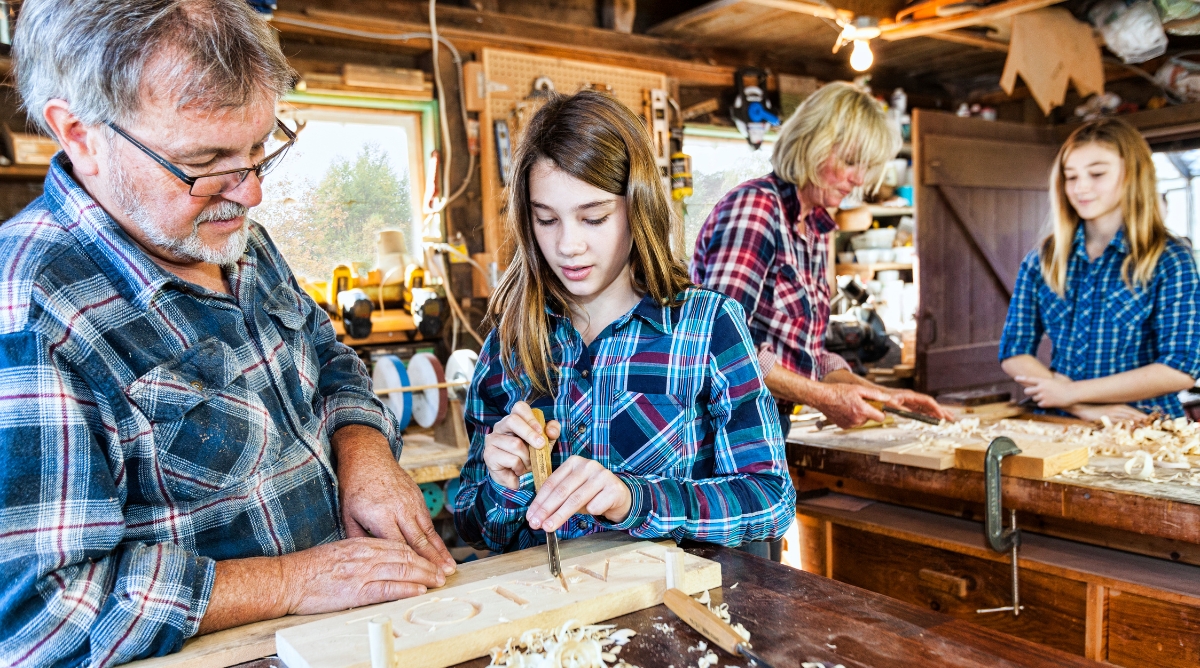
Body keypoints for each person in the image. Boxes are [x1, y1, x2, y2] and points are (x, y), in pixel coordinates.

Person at [0, 2, 455, 664]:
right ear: (80, 134)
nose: (250, 195)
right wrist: (294, 581)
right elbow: (39, 615)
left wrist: (364, 453)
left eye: (258, 150)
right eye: (206, 160)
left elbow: (327, 357)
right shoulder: (31, 309)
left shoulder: (238, 239)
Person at [452, 90, 795, 558]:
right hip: (552, 624)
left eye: (593, 218)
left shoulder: (708, 326)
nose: (568, 245)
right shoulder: (508, 344)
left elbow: (770, 501)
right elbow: (474, 527)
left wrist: (633, 499)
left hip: (675, 611)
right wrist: (502, 485)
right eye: (547, 219)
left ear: (638, 207)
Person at [691, 82, 952, 431]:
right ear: (812, 143)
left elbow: (805, 356)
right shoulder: (757, 210)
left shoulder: (814, 226)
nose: (858, 179)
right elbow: (719, 345)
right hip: (724, 428)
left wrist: (881, 395)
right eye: (849, 162)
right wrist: (822, 397)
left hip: (768, 422)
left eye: (865, 166)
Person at [1000, 118, 1199, 420]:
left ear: (1133, 174)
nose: (1081, 187)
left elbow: (1181, 367)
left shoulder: (1170, 259)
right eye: (1071, 176)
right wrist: (1075, 405)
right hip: (1059, 423)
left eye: (1097, 174)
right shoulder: (1042, 259)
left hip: (1145, 426)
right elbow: (1014, 350)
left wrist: (1072, 392)